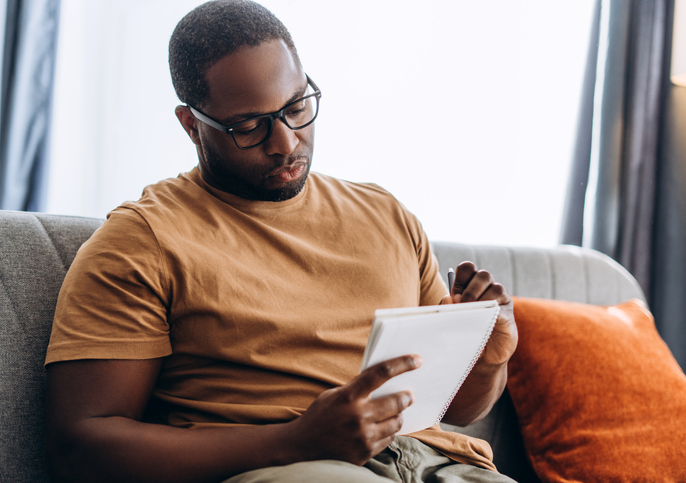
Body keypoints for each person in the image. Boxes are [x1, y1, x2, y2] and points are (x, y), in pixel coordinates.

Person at [44, 1, 518, 482]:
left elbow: (456, 406)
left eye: (296, 108)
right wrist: (294, 441)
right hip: (291, 465)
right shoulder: (142, 241)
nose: (286, 142)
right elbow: (81, 447)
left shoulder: (386, 215)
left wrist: (487, 360)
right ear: (191, 126)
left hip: (437, 464)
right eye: (249, 127)